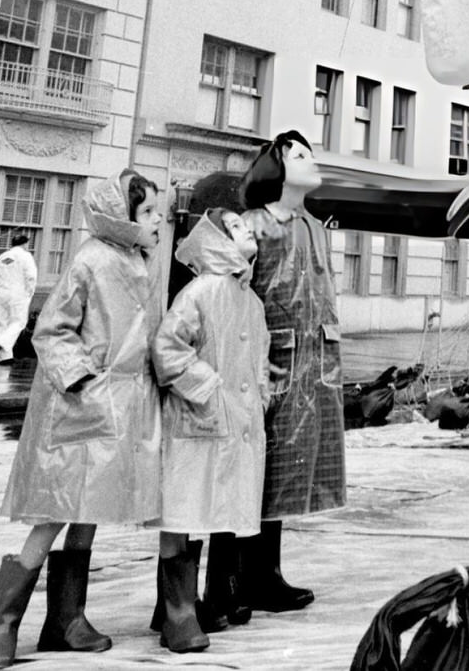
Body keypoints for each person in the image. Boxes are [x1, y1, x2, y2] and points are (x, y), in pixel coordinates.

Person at [0, 171, 163, 671]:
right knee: (55, 511)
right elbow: (53, 329)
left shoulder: (137, 262)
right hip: (80, 405)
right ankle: (3, 627)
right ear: (121, 218)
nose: (157, 221)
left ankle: (66, 619)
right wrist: (82, 381)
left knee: (89, 506)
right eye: (147, 213)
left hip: (116, 405)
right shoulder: (92, 259)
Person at [150, 205, 269, 653]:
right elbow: (168, 349)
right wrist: (209, 386)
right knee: (181, 508)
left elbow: (257, 359)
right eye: (236, 227)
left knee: (208, 506)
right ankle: (177, 612)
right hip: (197, 418)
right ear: (217, 239)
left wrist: (258, 395)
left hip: (231, 423)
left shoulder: (250, 300)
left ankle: (175, 606)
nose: (248, 231)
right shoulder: (201, 291)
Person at [236, 131, 345, 611]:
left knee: (287, 469)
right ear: (275, 168)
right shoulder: (252, 225)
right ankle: (237, 578)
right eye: (299, 154)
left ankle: (266, 572)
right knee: (254, 467)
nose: (310, 160)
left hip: (314, 364)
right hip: (266, 360)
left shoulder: (315, 228)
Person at [0, 229, 37, 365]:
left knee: (2, 323)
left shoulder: (2, 256)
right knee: (19, 322)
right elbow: (31, 276)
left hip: (2, 291)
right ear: (25, 244)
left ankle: (5, 357)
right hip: (18, 292)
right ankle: (2, 342)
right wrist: (29, 292)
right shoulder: (25, 256)